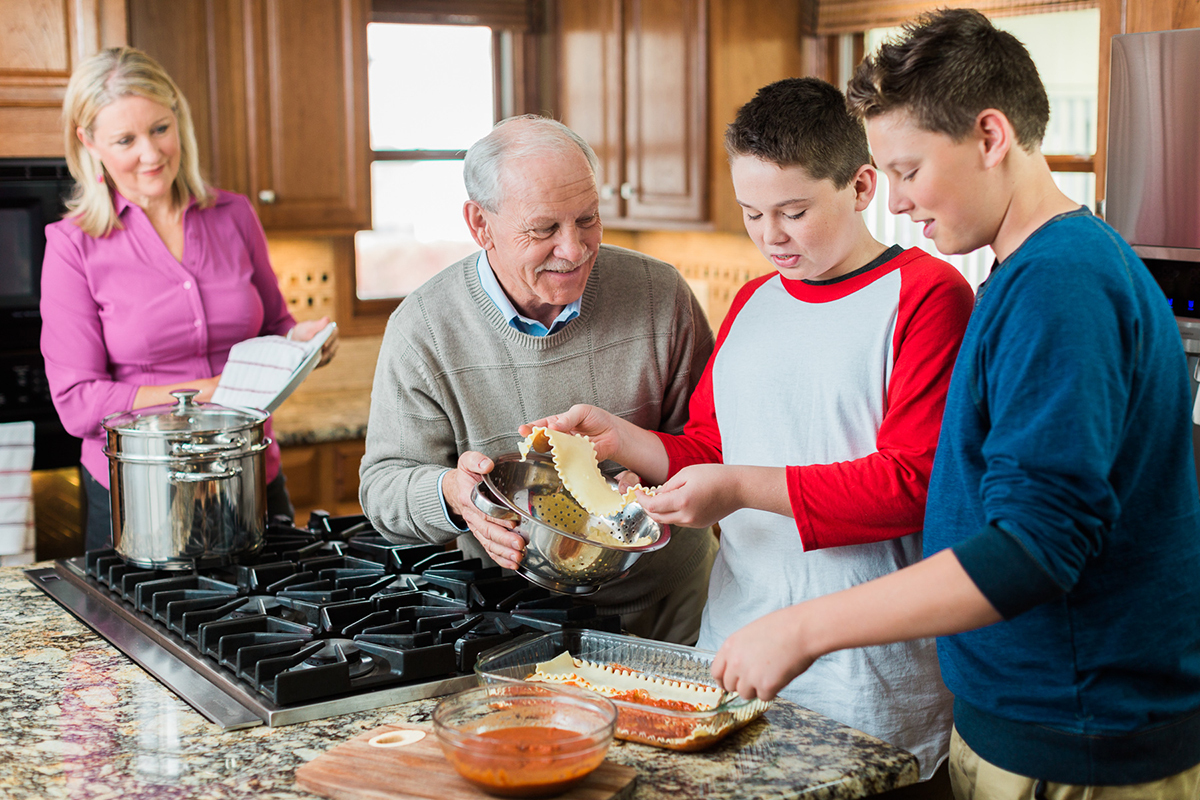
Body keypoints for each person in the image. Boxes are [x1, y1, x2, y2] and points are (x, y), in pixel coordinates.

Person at [709, 9, 1200, 796]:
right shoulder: (1031, 270)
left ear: (990, 136)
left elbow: (1033, 547)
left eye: (906, 170)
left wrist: (805, 628)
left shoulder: (1059, 286)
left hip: (1074, 740)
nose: (896, 202)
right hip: (1039, 720)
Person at [518, 78, 974, 780]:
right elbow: (711, 446)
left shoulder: (927, 296)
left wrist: (735, 489)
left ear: (860, 187)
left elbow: (912, 485)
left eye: (793, 211)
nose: (770, 236)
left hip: (868, 680)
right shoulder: (755, 299)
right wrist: (622, 439)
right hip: (730, 656)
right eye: (752, 212)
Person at [358, 115, 718, 645]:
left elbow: (715, 444)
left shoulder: (660, 294)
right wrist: (455, 495)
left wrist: (651, 481)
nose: (573, 249)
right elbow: (382, 484)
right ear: (480, 224)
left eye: (587, 220)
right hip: (516, 622)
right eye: (544, 229)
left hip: (676, 605)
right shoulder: (425, 328)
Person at [41, 47, 338, 552]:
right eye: (125, 140)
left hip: (251, 475)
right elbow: (77, 402)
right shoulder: (74, 245)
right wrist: (208, 391)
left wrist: (299, 345)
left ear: (178, 117)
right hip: (140, 497)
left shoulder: (234, 214)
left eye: (160, 129)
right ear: (88, 142)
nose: (151, 154)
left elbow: (273, 326)